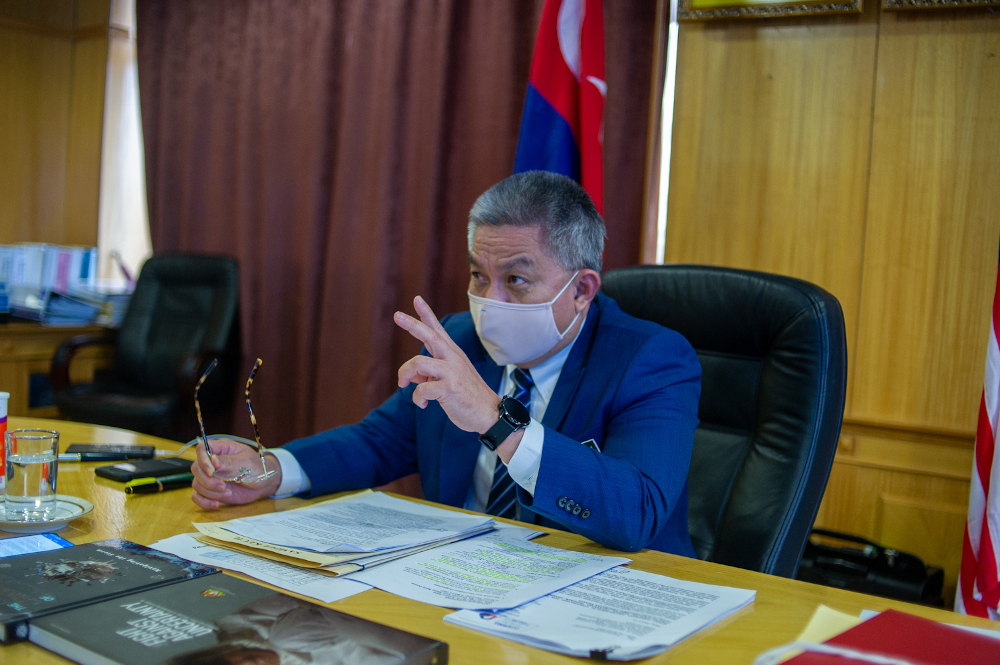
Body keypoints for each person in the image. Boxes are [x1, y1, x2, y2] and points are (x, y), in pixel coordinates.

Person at [192, 171, 701, 555]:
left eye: (516, 280)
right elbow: (382, 441)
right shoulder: (461, 336)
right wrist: (274, 469)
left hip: (604, 602)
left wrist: (497, 421)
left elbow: (637, 512)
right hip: (464, 580)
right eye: (479, 275)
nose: (490, 301)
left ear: (582, 289)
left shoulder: (652, 359)